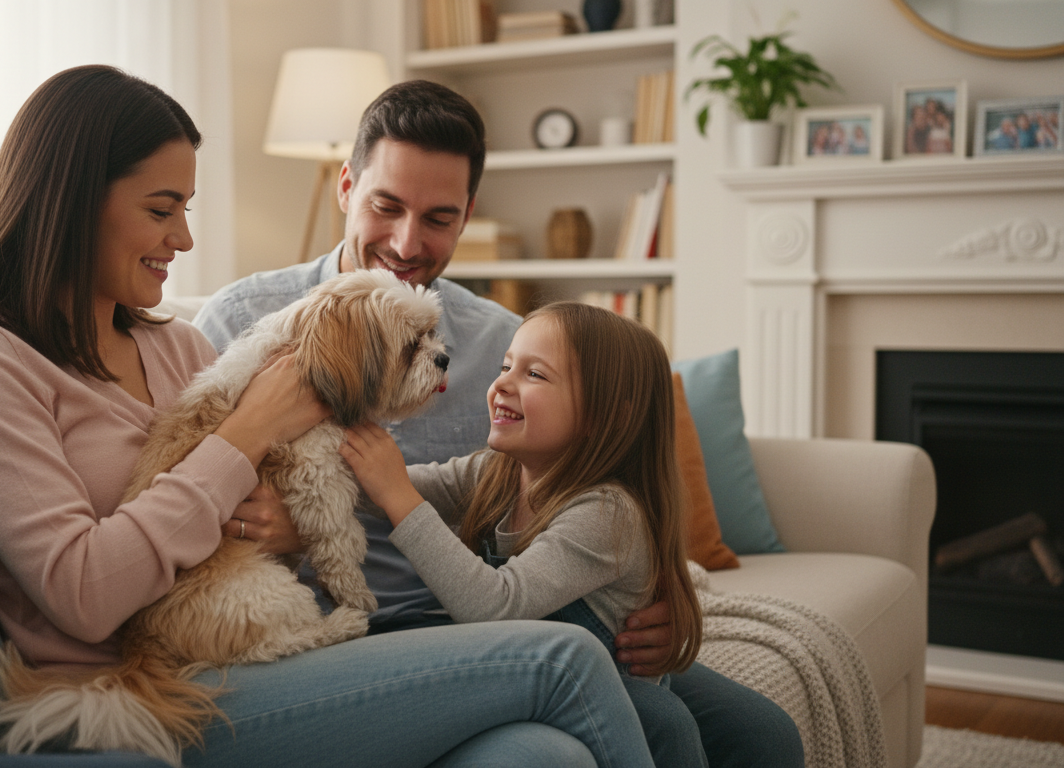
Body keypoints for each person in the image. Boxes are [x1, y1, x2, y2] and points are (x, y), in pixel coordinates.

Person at [0, 63, 658, 768]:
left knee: (544, 757)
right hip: (156, 685)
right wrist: (249, 433)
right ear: (73, 202)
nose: (184, 239)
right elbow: (87, 593)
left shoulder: (176, 346)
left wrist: (287, 531)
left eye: (186, 209)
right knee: (563, 659)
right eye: (161, 209)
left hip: (287, 638)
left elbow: (266, 522)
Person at [193, 78, 805, 768]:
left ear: (468, 214)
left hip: (501, 616)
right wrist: (282, 524)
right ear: (345, 186)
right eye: (386, 206)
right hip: (353, 634)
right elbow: (178, 486)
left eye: (438, 218)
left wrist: (663, 601)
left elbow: (592, 490)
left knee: (763, 734)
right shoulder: (240, 323)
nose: (405, 242)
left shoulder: (507, 347)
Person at [343, 302, 708, 768]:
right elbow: (395, 487)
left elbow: (495, 607)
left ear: (606, 417)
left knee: (672, 722)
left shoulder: (607, 512)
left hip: (607, 693)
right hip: (534, 679)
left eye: (534, 375)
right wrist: (335, 471)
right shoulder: (499, 471)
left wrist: (397, 495)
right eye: (505, 366)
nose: (500, 385)